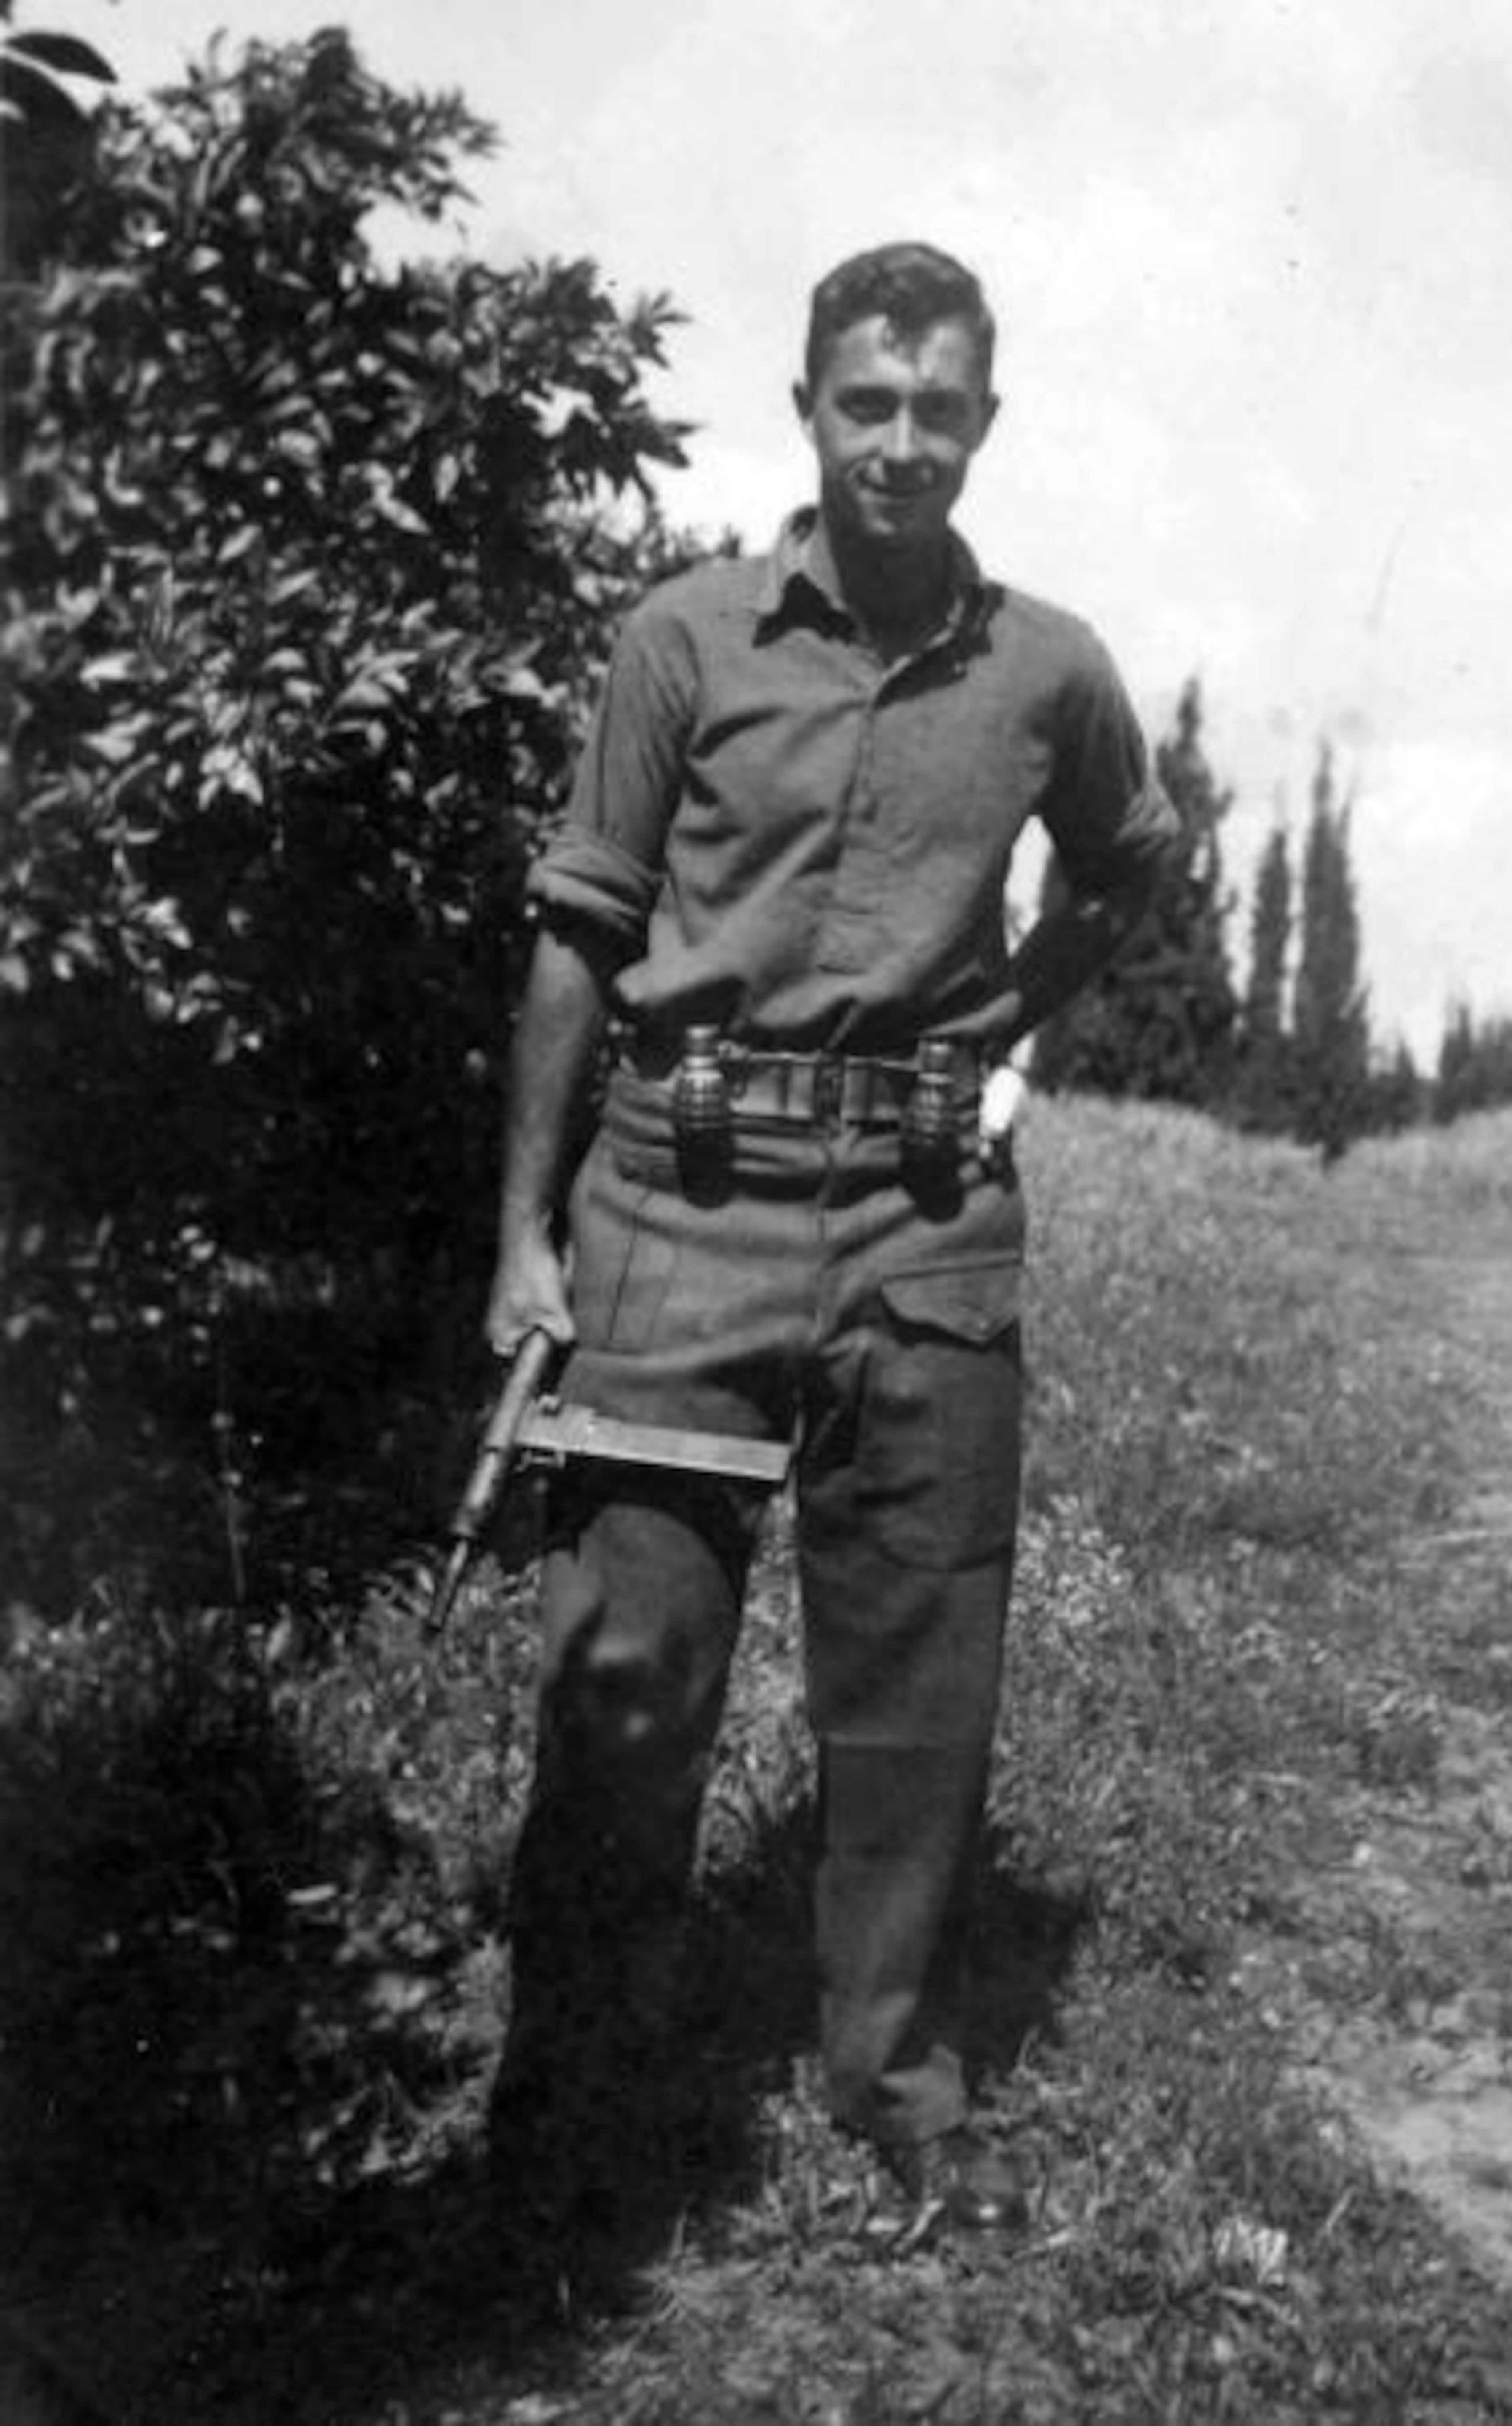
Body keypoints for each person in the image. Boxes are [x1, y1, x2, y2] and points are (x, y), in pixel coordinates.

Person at [483, 240, 1177, 2238]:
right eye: (864, 404)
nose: (900, 443)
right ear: (805, 411)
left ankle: (893, 2074)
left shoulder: (1049, 671)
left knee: (919, 1683)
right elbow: (578, 929)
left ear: (983, 422)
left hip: (927, 1225)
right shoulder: (681, 638)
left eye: (936, 408)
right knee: (625, 1683)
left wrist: (1010, 1028)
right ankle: (573, 2105)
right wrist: (521, 1240)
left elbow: (1132, 870)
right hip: (672, 1216)